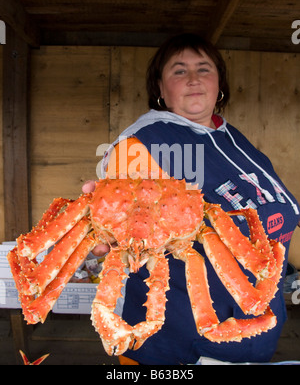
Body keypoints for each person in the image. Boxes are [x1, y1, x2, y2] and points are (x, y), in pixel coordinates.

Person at [83, 33, 299, 365]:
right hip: (180, 346)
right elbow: (127, 237)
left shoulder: (230, 137)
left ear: (219, 82)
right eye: (179, 70)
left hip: (256, 332)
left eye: (204, 68)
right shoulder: (144, 144)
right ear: (159, 86)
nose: (194, 79)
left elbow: (281, 222)